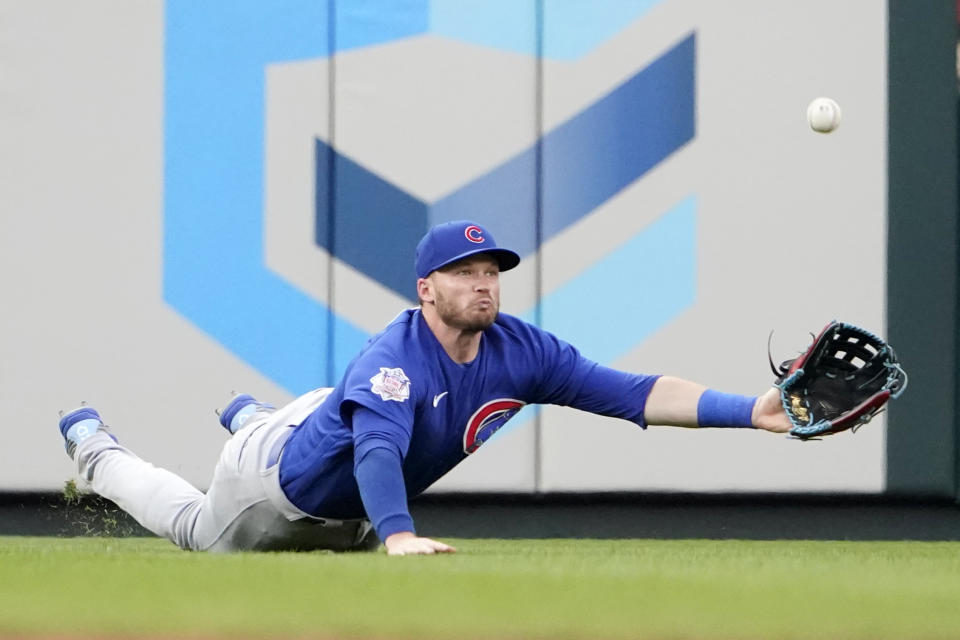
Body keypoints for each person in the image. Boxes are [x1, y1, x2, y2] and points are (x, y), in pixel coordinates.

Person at [58, 220, 791, 555]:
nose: (483, 283)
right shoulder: (395, 358)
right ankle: (96, 448)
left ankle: (252, 414)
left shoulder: (519, 348)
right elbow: (378, 451)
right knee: (194, 527)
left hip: (333, 438)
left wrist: (750, 411)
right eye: (465, 273)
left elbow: (632, 391)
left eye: (492, 271)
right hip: (276, 490)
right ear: (425, 288)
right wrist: (401, 537)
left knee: (335, 410)